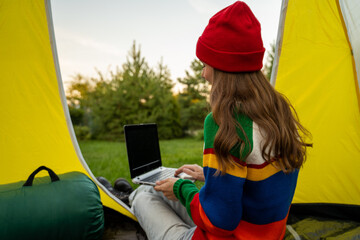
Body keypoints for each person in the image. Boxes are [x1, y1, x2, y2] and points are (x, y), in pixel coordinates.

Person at [129, 1, 311, 239]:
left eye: (206, 65)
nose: (203, 73)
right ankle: (132, 192)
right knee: (158, 191)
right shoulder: (280, 113)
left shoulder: (226, 123)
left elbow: (220, 223)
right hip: (266, 234)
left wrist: (183, 188)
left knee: (145, 196)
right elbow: (259, 186)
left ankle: (129, 196)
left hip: (223, 235)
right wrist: (208, 175)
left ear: (224, 67)